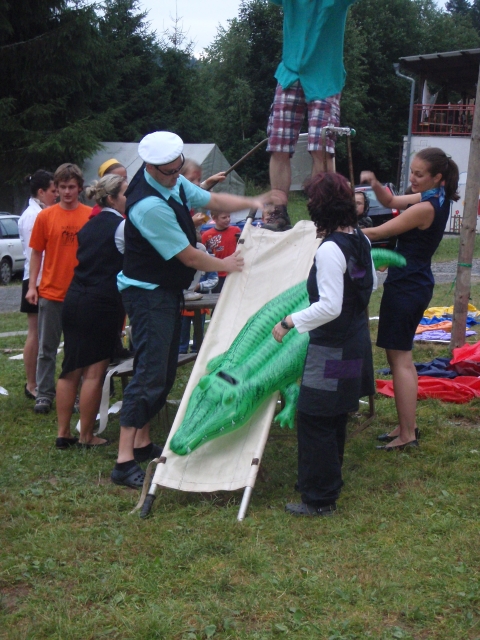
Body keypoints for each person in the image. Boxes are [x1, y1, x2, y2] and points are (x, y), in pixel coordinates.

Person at [111, 131, 269, 489]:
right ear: (151, 167)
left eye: (177, 169)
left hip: (165, 291)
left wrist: (252, 201)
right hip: (147, 295)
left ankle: (142, 443)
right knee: (149, 374)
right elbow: (189, 256)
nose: (175, 176)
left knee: (164, 372)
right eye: (168, 172)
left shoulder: (173, 182)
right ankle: (123, 461)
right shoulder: (148, 206)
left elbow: (212, 198)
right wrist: (226, 264)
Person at [272, 172, 376, 517]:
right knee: (334, 415)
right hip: (353, 340)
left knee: (315, 417)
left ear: (320, 208)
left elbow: (330, 306)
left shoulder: (331, 248)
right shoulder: (360, 239)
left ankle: (318, 497)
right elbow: (369, 285)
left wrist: (289, 321)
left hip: (332, 347)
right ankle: (325, 484)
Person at [360, 147, 460, 450]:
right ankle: (407, 425)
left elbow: (378, 233)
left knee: (401, 360)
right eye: (412, 172)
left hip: (407, 286)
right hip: (412, 283)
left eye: (419, 174)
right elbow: (391, 201)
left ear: (437, 177)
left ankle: (407, 436)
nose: (413, 179)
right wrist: (374, 184)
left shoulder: (425, 208)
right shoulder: (434, 196)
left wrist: (339, 232)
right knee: (398, 358)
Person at [266, 0, 357, 228]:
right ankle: (279, 212)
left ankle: (323, 214)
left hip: (325, 78)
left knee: (321, 147)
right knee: (278, 145)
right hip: (290, 74)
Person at [55, 174, 127, 449]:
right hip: (101, 302)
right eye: (125, 193)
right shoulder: (122, 226)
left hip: (74, 298)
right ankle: (86, 435)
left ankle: (63, 433)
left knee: (70, 368)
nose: (129, 198)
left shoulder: (88, 225)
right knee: (94, 373)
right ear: (112, 198)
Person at [26, 163, 92, 415]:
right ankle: (44, 393)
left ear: (79, 188)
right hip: (51, 292)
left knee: (79, 348)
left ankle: (76, 395)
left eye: (71, 187)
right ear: (56, 188)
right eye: (62, 187)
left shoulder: (90, 215)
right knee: (47, 348)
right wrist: (32, 286)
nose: (66, 192)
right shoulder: (45, 216)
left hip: (81, 293)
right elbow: (36, 253)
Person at [18, 170, 57, 400]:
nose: (56, 194)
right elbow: (35, 252)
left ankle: (36, 382)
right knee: (35, 333)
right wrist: (36, 284)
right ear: (41, 192)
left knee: (41, 334)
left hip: (41, 279)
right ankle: (32, 383)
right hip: (36, 280)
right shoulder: (33, 216)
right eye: (53, 191)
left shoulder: (40, 212)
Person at [201, 212, 241, 293]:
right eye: (224, 217)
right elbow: (202, 253)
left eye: (229, 216)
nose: (228, 219)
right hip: (217, 274)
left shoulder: (236, 230)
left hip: (233, 272)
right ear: (214, 218)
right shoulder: (206, 235)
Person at [181, 159, 226, 228]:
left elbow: (198, 190)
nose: (197, 183)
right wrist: (191, 223)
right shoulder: (174, 200)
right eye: (191, 179)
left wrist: (208, 182)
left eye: (199, 180)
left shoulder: (188, 194)